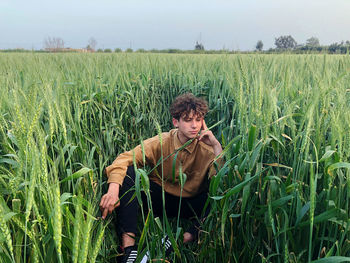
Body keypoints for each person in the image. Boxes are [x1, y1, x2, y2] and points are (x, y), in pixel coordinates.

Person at [99, 93, 223, 262]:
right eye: (188, 120)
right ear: (176, 122)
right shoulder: (162, 141)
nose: (194, 125)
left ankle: (180, 239)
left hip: (190, 203)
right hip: (160, 198)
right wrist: (113, 191)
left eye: (198, 120)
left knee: (217, 200)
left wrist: (216, 146)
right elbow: (125, 159)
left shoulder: (208, 149)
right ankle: (129, 249)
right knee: (130, 174)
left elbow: (221, 183)